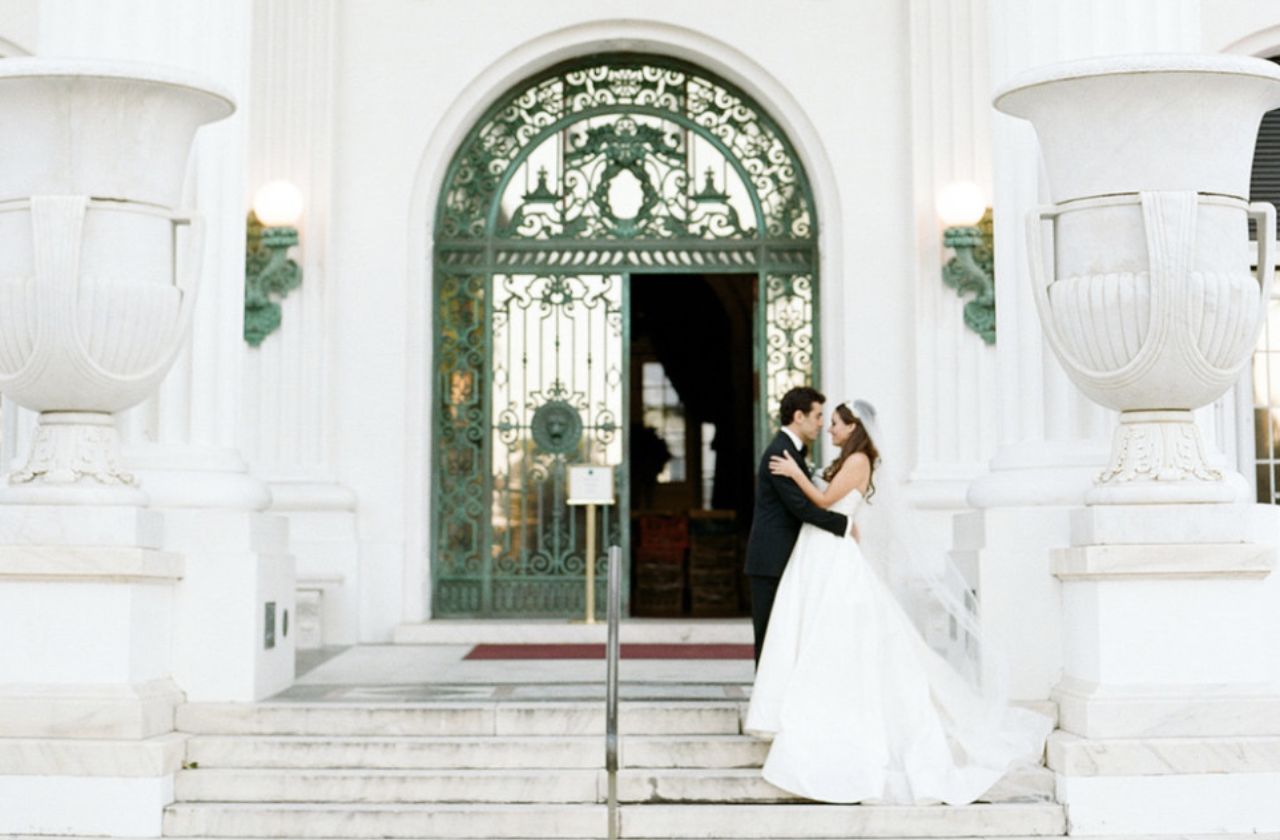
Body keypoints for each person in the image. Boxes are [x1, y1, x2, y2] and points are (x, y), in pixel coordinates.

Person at [744, 401, 1053, 805]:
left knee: (837, 633)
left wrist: (796, 475)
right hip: (818, 553)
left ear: (854, 427)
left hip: (833, 555)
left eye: (835, 423)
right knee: (816, 631)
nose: (829, 430)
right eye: (826, 422)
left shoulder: (857, 460)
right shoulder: (845, 458)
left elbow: (821, 503)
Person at [743, 387, 851, 664]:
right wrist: (844, 524)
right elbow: (801, 508)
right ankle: (764, 706)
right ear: (798, 416)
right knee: (768, 637)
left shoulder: (791, 451)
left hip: (783, 558)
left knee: (782, 636)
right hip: (771, 560)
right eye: (817, 416)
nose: (821, 424)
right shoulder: (780, 453)